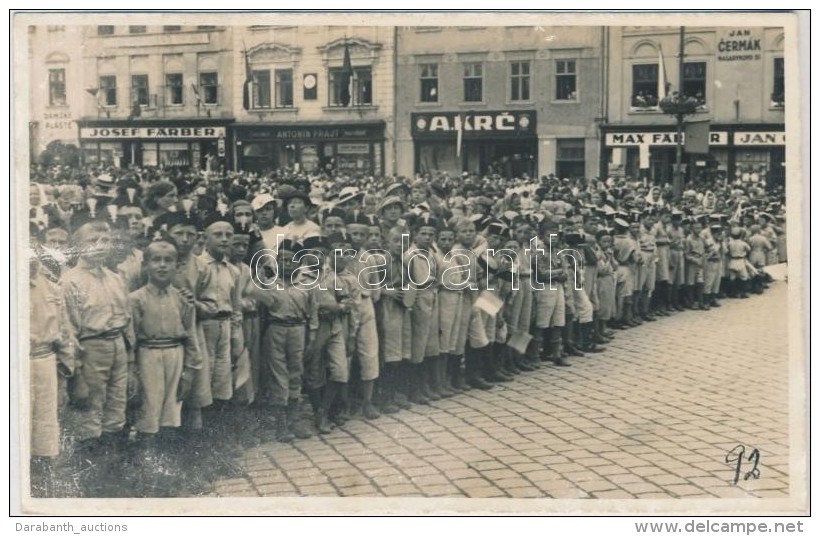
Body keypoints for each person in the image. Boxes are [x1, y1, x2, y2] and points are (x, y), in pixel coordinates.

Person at [62, 220, 135, 468]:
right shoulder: (70, 281)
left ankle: (111, 470)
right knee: (89, 411)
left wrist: (130, 358)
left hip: (117, 345)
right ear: (77, 246)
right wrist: (77, 374)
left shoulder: (116, 278)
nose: (100, 246)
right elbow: (69, 331)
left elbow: (127, 321)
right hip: (91, 348)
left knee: (116, 407)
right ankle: (89, 472)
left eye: (105, 241)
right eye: (92, 242)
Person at [127, 237, 200, 469]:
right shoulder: (135, 299)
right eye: (155, 260)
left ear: (177, 265)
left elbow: (190, 335)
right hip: (148, 357)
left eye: (168, 260)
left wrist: (189, 370)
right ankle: (146, 466)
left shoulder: (182, 298)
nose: (162, 265)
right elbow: (131, 339)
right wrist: (132, 370)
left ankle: (166, 467)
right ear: (145, 265)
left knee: (171, 411)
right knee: (149, 412)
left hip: (175, 356)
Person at [254, 239, 318, 442]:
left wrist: (312, 335)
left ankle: (294, 421)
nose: (286, 264)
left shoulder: (307, 283)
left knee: (296, 374)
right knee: (278, 375)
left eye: (291, 260)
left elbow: (313, 312)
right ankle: (281, 425)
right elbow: (260, 307)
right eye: (282, 260)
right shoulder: (269, 282)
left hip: (298, 329)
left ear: (298, 263)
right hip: (276, 329)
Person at [29, 242, 76, 496]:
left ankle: (42, 489)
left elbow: (65, 332)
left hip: (45, 361)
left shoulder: (50, 285)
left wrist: (66, 372)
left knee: (46, 428)